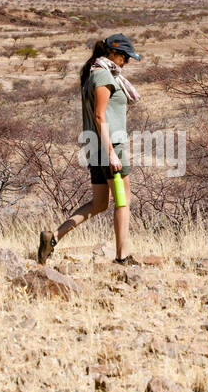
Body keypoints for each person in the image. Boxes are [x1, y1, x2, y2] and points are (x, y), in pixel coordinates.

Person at [38, 33, 141, 266]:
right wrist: (112, 153)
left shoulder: (92, 73)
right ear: (113, 53)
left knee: (99, 203)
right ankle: (122, 257)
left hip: (95, 148)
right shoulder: (103, 75)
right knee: (123, 202)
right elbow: (99, 115)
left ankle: (53, 237)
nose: (127, 62)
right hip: (110, 145)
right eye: (125, 57)